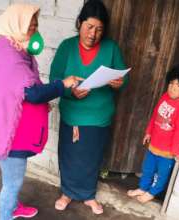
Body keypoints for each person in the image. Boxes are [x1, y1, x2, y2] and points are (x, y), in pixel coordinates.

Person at [0, 4, 82, 220]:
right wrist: (62, 84)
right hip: (11, 135)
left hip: (12, 128)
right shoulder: (9, 55)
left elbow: (23, 91)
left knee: (11, 179)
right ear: (16, 25)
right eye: (30, 27)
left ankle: (14, 207)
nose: (34, 32)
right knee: (12, 183)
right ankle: (6, 216)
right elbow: (33, 94)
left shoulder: (11, 47)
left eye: (36, 26)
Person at [49, 0, 129, 215]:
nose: (93, 34)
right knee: (69, 154)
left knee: (92, 156)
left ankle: (88, 195)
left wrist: (120, 81)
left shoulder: (111, 48)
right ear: (79, 23)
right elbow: (55, 79)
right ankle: (66, 192)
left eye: (99, 29)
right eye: (89, 27)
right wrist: (70, 91)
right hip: (73, 114)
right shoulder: (67, 46)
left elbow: (123, 76)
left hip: (99, 115)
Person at [127, 63, 179, 203]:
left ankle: (152, 192)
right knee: (147, 168)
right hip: (153, 144)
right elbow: (155, 116)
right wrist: (148, 132)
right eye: (172, 83)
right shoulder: (165, 96)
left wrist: (175, 150)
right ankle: (143, 188)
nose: (173, 87)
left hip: (167, 151)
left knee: (161, 174)